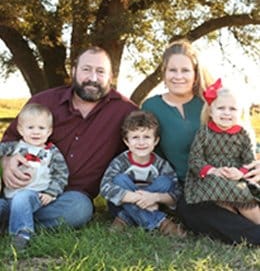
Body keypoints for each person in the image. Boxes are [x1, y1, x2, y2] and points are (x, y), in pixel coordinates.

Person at [0, 46, 137, 231]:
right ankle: (19, 217)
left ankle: (10, 217)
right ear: (74, 71)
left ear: (111, 77)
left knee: (80, 210)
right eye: (86, 69)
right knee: (21, 198)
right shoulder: (43, 101)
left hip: (70, 197)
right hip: (26, 187)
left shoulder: (125, 111)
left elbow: (136, 152)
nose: (93, 78)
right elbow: (10, 139)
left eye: (100, 71)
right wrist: (7, 162)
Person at [142, 39, 260, 245]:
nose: (179, 76)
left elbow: (239, 132)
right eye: (173, 70)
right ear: (164, 71)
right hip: (190, 185)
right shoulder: (152, 107)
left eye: (185, 70)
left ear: (195, 73)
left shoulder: (210, 102)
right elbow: (148, 150)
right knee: (195, 213)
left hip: (234, 173)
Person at [184, 79, 260, 224]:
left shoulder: (243, 134)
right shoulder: (204, 133)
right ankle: (240, 225)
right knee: (217, 190)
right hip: (211, 176)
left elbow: (249, 160)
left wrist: (240, 172)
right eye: (221, 108)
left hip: (236, 175)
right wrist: (212, 171)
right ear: (211, 112)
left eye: (232, 109)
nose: (226, 113)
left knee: (242, 193)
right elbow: (195, 159)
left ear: (241, 112)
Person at [100, 110, 184, 236]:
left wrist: (154, 198)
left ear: (155, 141)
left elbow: (177, 193)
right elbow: (105, 187)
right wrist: (137, 199)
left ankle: (125, 218)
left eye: (146, 137)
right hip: (123, 203)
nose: (141, 142)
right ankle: (161, 223)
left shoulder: (161, 164)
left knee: (165, 181)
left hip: (153, 202)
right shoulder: (120, 162)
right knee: (119, 180)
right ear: (126, 141)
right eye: (135, 137)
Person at [0, 103, 69, 249]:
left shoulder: (52, 152)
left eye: (41, 128)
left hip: (34, 196)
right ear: (20, 129)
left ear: (49, 131)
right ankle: (4, 225)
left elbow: (61, 174)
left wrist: (51, 192)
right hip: (8, 197)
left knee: (22, 197)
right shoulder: (14, 146)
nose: (36, 132)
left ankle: (22, 233)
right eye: (30, 128)